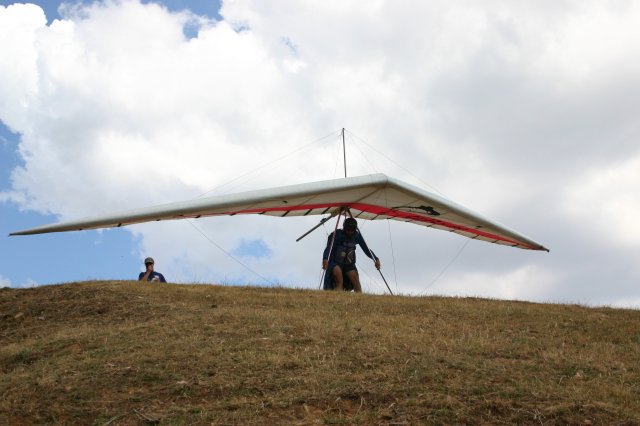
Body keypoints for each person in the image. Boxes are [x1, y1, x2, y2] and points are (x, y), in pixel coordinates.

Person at [322, 217, 380, 292]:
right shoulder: (337, 234)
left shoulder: (356, 236)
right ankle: (338, 297)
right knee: (338, 275)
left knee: (355, 278)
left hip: (348, 263)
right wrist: (325, 258)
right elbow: (329, 247)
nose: (349, 232)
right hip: (335, 262)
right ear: (344, 228)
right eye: (348, 230)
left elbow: (366, 249)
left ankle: (359, 298)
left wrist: (375, 259)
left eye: (352, 230)